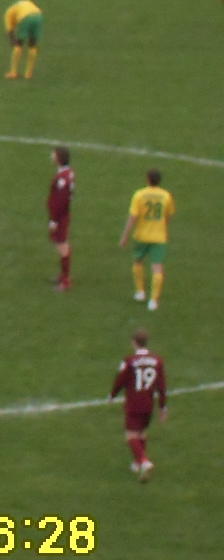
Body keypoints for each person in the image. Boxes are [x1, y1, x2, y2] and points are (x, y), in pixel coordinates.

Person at [110, 330, 167, 481]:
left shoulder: (129, 361)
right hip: (148, 403)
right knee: (141, 432)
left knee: (130, 435)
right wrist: (162, 407)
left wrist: (112, 395)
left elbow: (120, 380)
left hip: (134, 403)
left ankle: (143, 461)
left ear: (134, 342)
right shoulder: (157, 361)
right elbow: (161, 386)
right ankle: (137, 463)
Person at [119, 168, 174, 311]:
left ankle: (140, 292)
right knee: (157, 266)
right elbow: (168, 216)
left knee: (138, 261)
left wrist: (124, 236)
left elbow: (133, 217)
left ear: (147, 179)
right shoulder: (166, 196)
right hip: (159, 237)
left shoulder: (139, 195)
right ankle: (153, 301)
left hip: (141, 236)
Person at [46, 145, 74, 292]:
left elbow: (61, 201)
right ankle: (63, 275)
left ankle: (65, 280)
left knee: (62, 245)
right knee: (61, 244)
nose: (51, 156)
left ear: (58, 158)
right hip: (62, 215)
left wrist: (54, 220)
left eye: (53, 154)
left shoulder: (62, 179)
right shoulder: (67, 174)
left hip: (60, 217)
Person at [3, 0, 41, 79]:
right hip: (38, 16)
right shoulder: (23, 3)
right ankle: (28, 74)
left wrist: (12, 40)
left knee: (19, 43)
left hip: (25, 17)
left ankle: (13, 72)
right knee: (32, 43)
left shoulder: (8, 13)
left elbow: (10, 31)